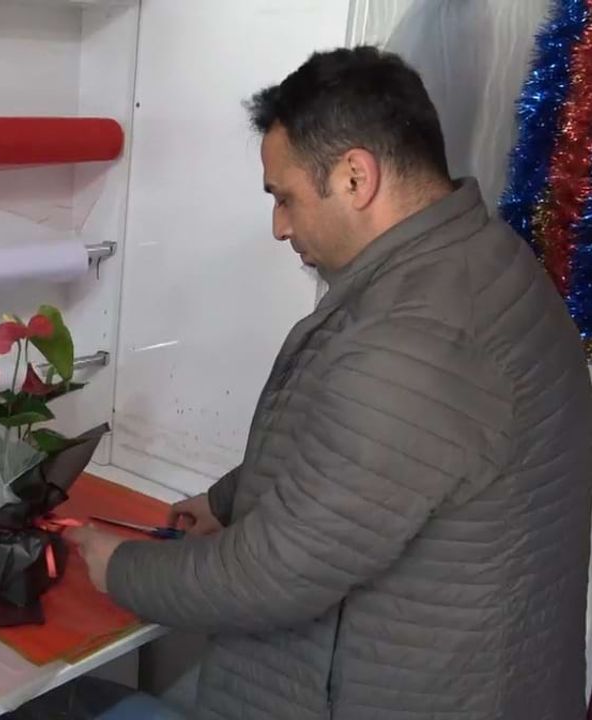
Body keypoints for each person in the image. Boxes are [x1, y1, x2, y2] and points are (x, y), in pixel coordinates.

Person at [65, 46, 592, 719]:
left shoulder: (419, 337)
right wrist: (229, 499)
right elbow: (372, 457)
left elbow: (272, 573)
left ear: (354, 177)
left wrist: (117, 566)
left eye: (285, 197)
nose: (279, 226)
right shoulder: (480, 261)